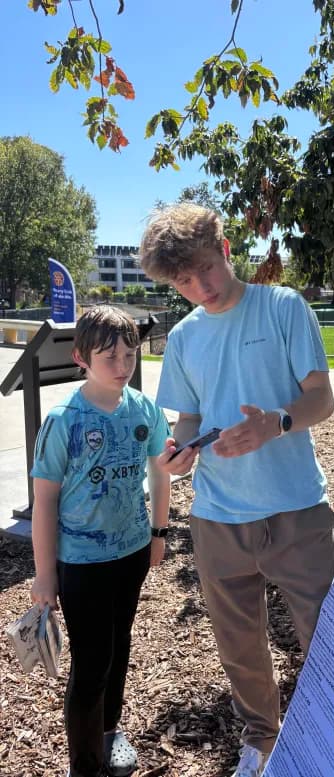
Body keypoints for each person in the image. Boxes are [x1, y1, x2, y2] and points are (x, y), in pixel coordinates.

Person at [139, 204, 334, 777]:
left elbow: (321, 400)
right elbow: (188, 418)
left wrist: (276, 422)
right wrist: (179, 453)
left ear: (226, 251)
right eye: (183, 281)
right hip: (218, 517)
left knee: (328, 638)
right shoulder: (183, 337)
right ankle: (262, 739)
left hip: (298, 509)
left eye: (206, 268)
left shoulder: (283, 306)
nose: (200, 287)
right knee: (239, 646)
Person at [30, 306, 171, 777]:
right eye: (109, 355)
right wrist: (45, 575)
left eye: (130, 353)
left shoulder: (144, 409)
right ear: (81, 357)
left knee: (120, 646)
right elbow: (44, 501)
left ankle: (110, 732)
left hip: (131, 553)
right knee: (92, 664)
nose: (122, 364)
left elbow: (161, 471)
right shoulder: (64, 420)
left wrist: (158, 532)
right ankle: (85, 765)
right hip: (81, 563)